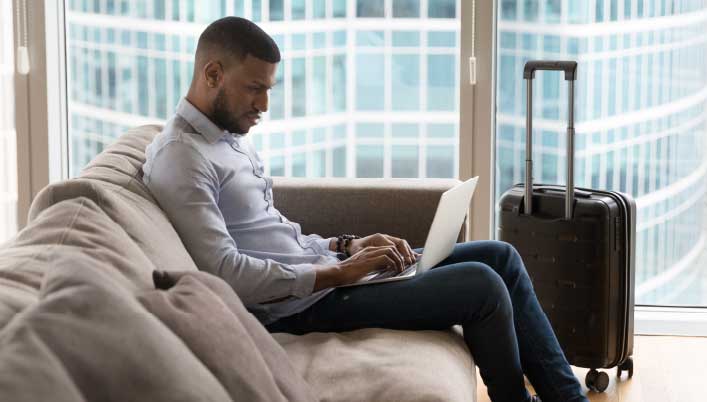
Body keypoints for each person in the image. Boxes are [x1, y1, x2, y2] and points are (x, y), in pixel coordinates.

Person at [142, 16, 589, 402]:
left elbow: (275, 237)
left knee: (500, 257)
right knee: (482, 286)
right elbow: (224, 272)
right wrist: (337, 274)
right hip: (300, 306)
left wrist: (345, 247)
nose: (264, 105)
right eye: (254, 89)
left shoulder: (226, 138)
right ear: (213, 74)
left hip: (324, 278)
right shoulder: (181, 158)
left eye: (268, 89)